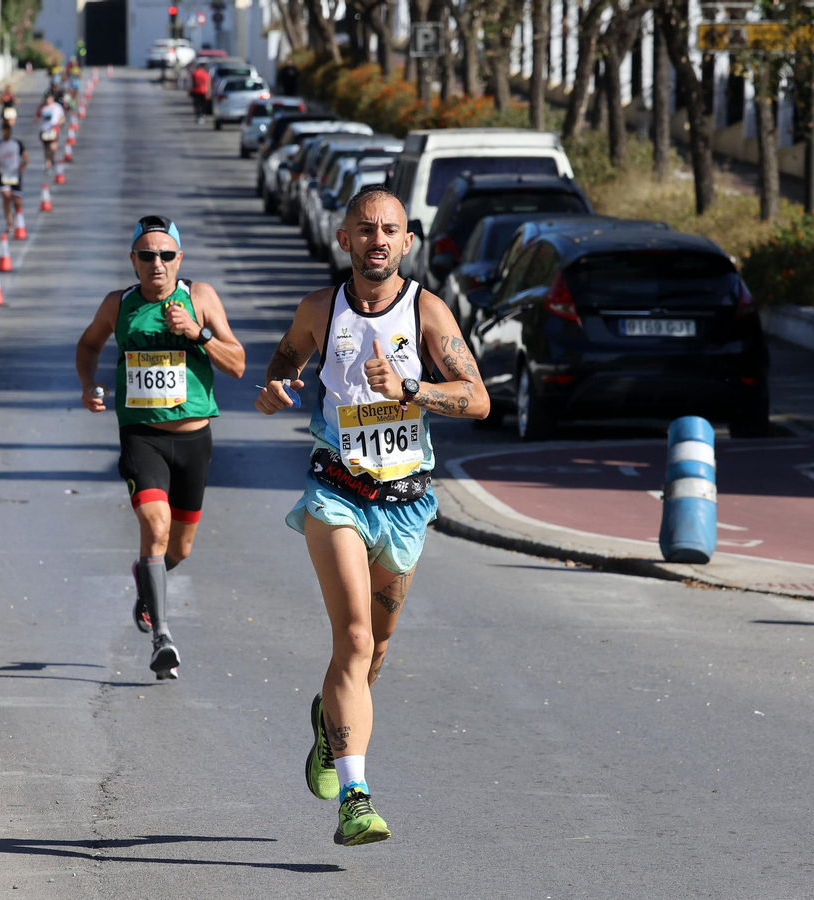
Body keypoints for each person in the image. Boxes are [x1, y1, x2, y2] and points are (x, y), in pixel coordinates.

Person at [253, 184, 490, 846]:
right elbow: (284, 361)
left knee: (374, 652)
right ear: (345, 239)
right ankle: (355, 800)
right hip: (337, 491)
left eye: (389, 230)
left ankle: (329, 726)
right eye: (365, 228)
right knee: (355, 639)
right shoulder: (319, 309)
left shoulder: (427, 311)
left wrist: (412, 388)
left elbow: (477, 400)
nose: (377, 239)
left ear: (407, 242)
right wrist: (276, 387)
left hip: (406, 503)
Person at [76, 216, 247, 679]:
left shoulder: (200, 298)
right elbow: (88, 345)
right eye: (148, 255)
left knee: (180, 548)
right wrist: (88, 385)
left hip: (194, 439)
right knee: (155, 527)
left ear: (179, 259)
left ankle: (147, 578)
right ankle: (162, 638)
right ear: (133, 260)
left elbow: (237, 364)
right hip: (142, 436)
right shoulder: (118, 304)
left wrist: (197, 332)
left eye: (166, 255)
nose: (157, 263)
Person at [0, 123, 28, 234]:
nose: (5, 134)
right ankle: (9, 221)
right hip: (3, 174)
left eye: (7, 131)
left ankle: (17, 218)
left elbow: (25, 157)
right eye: (3, 131)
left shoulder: (17, 143)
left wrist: (23, 165)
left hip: (15, 174)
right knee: (6, 196)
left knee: (17, 200)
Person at [37, 92, 66, 173]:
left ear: (52, 99)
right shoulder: (42, 107)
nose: (47, 100)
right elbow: (37, 117)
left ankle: (52, 158)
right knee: (46, 148)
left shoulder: (57, 107)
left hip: (54, 130)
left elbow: (62, 117)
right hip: (44, 130)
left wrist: (59, 123)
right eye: (46, 98)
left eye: (49, 98)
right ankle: (48, 164)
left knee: (53, 147)